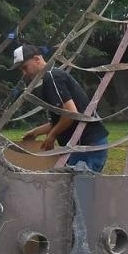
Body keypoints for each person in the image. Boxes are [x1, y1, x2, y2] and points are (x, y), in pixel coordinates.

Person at [13, 44, 110, 172]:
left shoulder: (52, 77)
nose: (24, 73)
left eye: (25, 67)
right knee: (71, 187)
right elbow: (62, 119)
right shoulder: (51, 77)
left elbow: (70, 114)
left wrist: (52, 136)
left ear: (37, 59)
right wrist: (35, 132)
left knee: (81, 188)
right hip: (81, 145)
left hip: (87, 144)